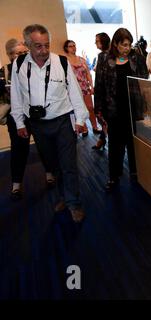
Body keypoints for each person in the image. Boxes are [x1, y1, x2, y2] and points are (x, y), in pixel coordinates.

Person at [10, 24, 89, 222]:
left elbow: (75, 92)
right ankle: (63, 196)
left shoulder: (60, 63)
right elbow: (16, 96)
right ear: (28, 44)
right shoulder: (19, 65)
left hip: (63, 122)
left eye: (47, 45)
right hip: (37, 125)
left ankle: (74, 203)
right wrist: (19, 122)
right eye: (38, 46)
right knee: (53, 166)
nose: (44, 51)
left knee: (68, 164)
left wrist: (80, 118)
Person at [95, 28, 148, 191]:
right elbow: (99, 84)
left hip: (133, 106)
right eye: (124, 44)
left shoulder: (136, 57)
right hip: (113, 107)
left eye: (130, 44)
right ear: (116, 44)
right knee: (116, 144)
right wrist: (98, 108)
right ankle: (114, 175)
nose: (128, 48)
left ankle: (135, 172)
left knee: (133, 142)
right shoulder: (104, 58)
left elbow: (144, 79)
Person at [1, 38, 55, 200]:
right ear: (9, 55)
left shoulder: (33, 67)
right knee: (19, 150)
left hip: (37, 116)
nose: (22, 55)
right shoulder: (3, 72)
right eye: (18, 53)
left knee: (44, 146)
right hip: (17, 118)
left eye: (24, 52)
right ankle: (16, 184)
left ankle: (50, 174)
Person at [64, 40, 99, 137]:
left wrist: (91, 86)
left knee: (90, 108)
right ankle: (84, 129)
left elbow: (88, 74)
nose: (73, 48)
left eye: (74, 45)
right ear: (66, 48)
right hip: (73, 90)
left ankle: (95, 126)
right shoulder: (65, 61)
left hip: (84, 87)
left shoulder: (82, 60)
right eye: (70, 46)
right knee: (79, 109)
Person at [92, 32, 110, 150]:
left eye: (97, 41)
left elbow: (101, 77)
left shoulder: (103, 55)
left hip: (105, 93)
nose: (95, 43)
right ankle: (102, 139)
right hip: (104, 91)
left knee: (105, 118)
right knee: (105, 119)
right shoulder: (102, 55)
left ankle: (103, 140)